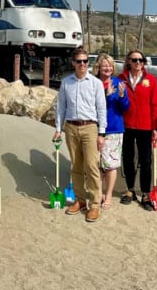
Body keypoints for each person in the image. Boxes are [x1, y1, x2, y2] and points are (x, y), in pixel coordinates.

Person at [53, 47, 107, 222]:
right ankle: (80, 200)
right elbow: (61, 107)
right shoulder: (66, 82)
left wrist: (101, 133)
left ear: (88, 63)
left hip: (90, 127)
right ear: (73, 63)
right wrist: (57, 129)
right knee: (76, 165)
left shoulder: (95, 83)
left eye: (85, 61)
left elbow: (101, 109)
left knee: (91, 165)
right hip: (70, 127)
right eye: (79, 61)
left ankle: (95, 204)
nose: (82, 64)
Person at [119, 50, 157, 211]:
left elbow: (155, 104)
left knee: (146, 161)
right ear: (128, 61)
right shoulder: (121, 79)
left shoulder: (151, 80)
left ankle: (145, 193)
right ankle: (130, 190)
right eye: (134, 60)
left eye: (140, 60)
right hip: (127, 126)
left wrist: (155, 128)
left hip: (145, 126)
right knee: (128, 159)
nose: (137, 63)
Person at [95, 53, 130, 209]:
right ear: (98, 67)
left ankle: (108, 195)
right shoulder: (93, 83)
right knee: (96, 164)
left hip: (113, 129)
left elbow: (126, 107)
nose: (107, 68)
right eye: (104, 65)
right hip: (94, 128)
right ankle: (98, 192)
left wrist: (121, 96)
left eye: (110, 65)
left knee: (109, 164)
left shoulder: (118, 83)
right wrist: (105, 95)